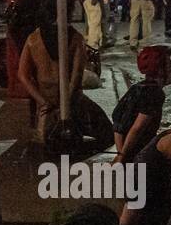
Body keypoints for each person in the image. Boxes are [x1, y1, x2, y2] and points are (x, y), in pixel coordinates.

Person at [16, 14, 114, 152]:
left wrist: (42, 102)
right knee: (108, 134)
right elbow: (76, 77)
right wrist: (65, 104)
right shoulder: (75, 38)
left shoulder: (33, 39)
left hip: (47, 105)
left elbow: (22, 75)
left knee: (50, 142)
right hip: (73, 103)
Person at [112, 44, 171, 164]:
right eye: (170, 67)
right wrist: (122, 157)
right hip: (139, 153)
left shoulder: (137, 87)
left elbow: (118, 122)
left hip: (129, 151)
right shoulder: (155, 93)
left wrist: (119, 152)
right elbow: (137, 129)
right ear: (160, 70)